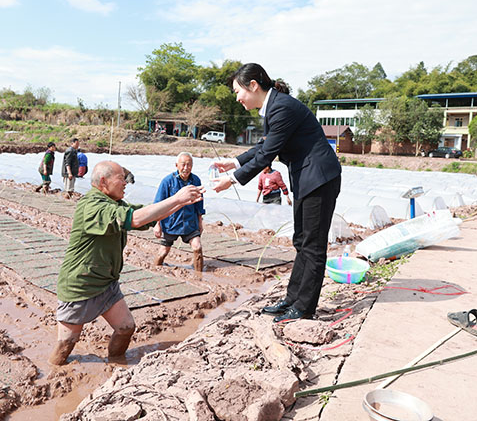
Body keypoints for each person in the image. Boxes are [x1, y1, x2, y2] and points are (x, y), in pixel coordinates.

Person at [212, 63, 341, 322]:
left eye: (238, 91)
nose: (237, 98)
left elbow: (266, 155)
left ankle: (304, 308)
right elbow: (264, 146)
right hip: (307, 179)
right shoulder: (275, 107)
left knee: (313, 246)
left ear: (254, 86)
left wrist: (232, 179)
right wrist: (234, 162)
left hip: (319, 179)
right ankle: (292, 299)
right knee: (301, 241)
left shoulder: (281, 107)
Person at [49, 161, 205, 365]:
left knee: (125, 327)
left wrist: (182, 203)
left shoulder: (115, 202)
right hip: (80, 285)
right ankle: (55, 371)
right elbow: (136, 219)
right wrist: (176, 198)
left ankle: (115, 364)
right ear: (104, 182)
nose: (126, 183)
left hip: (106, 283)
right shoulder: (92, 206)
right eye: (121, 178)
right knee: (66, 344)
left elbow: (148, 215)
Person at [153, 152, 205, 271]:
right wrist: (157, 224)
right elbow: (158, 204)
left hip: (190, 223)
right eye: (183, 165)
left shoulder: (196, 180)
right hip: (171, 223)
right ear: (176, 165)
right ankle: (155, 269)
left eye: (189, 165)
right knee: (163, 251)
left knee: (197, 247)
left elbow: (199, 204)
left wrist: (200, 223)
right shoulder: (167, 181)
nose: (186, 168)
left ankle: (199, 275)